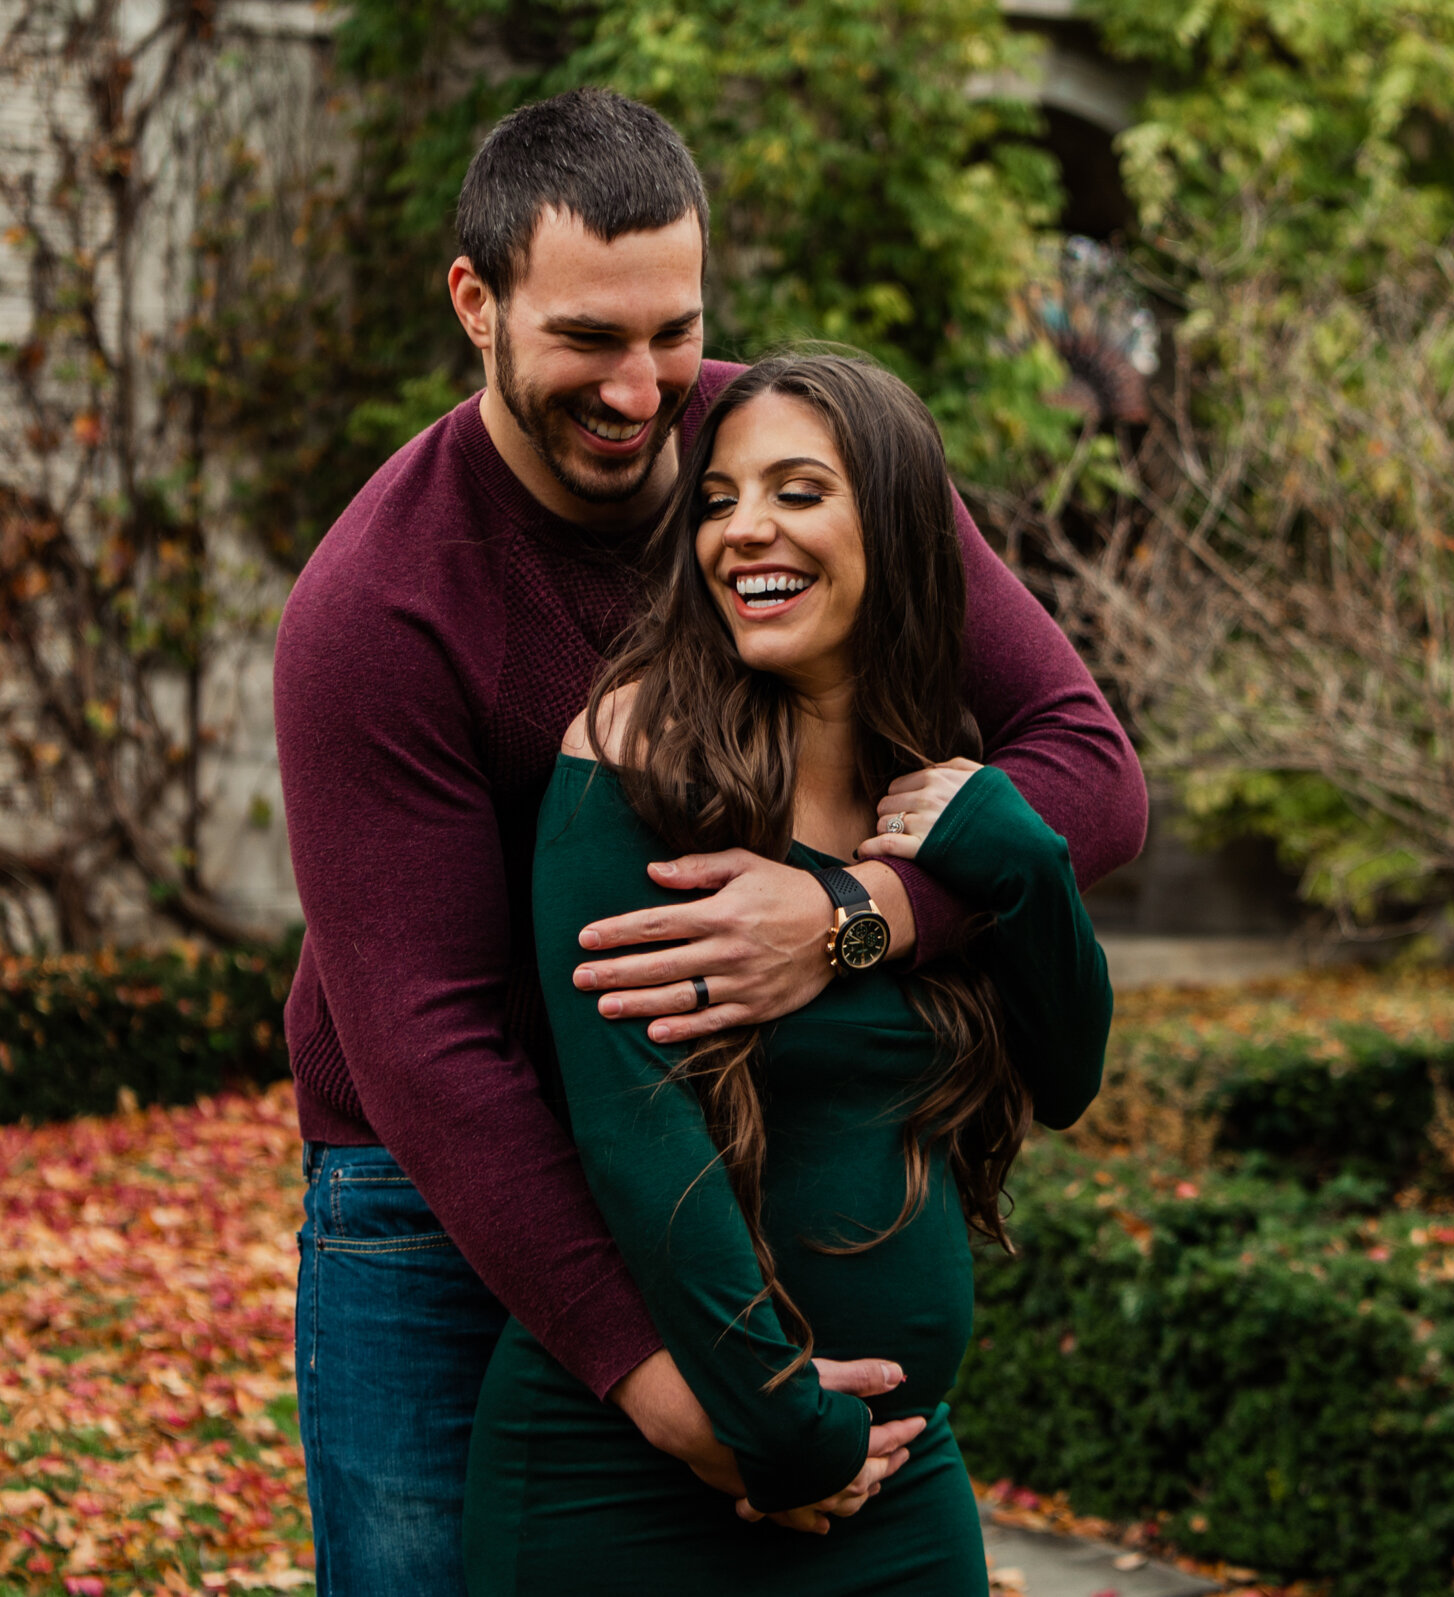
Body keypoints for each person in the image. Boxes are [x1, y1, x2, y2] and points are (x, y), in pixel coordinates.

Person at [272, 88, 1147, 1593]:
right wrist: (676, 1395)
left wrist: (855, 914)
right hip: (440, 1197)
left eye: (671, 330)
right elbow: (429, 1041)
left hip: (741, 1145)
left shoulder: (791, 464)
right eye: (587, 339)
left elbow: (1087, 772)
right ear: (476, 303)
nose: (640, 388)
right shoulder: (379, 607)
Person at [462, 352, 1112, 1595]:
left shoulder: (936, 788)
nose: (745, 529)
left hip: (902, 1482)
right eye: (717, 499)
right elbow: (634, 1127)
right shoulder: (632, 756)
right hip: (634, 1490)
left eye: (799, 490)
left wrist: (1017, 856)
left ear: (901, 526)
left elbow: (1069, 1070)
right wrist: (779, 1420)